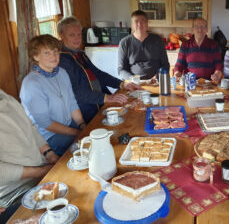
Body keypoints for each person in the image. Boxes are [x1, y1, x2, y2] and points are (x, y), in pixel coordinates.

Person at [58, 16, 141, 123]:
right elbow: (75, 92)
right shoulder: (63, 60)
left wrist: (122, 84)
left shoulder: (79, 54)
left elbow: (98, 74)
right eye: (72, 35)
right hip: (85, 110)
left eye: (79, 34)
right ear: (61, 36)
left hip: (98, 103)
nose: (77, 38)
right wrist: (106, 98)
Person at [20, 35, 86, 157]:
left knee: (93, 135)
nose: (54, 56)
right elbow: (45, 123)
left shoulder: (62, 73)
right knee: (87, 146)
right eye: (46, 53)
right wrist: (77, 132)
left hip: (68, 126)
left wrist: (82, 125)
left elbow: (72, 103)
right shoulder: (31, 84)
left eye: (55, 51)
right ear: (36, 56)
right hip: (48, 136)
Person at [0, 89, 59, 223]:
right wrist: (41, 171)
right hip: (15, 192)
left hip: (42, 170)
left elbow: (31, 128)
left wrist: (50, 155)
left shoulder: (5, 96)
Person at [118, 10, 169, 80]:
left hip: (156, 81)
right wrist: (132, 79)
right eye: (136, 21)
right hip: (133, 83)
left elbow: (165, 64)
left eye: (143, 21)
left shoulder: (157, 40)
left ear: (147, 24)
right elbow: (121, 69)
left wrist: (159, 75)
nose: (139, 24)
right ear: (132, 25)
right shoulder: (124, 43)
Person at [174, 18, 223, 82]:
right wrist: (177, 73)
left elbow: (218, 64)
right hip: (189, 83)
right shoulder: (185, 44)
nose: (200, 29)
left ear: (207, 29)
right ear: (192, 29)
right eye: (197, 26)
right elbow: (179, 64)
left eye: (203, 27)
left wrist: (217, 74)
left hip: (208, 83)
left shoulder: (214, 44)